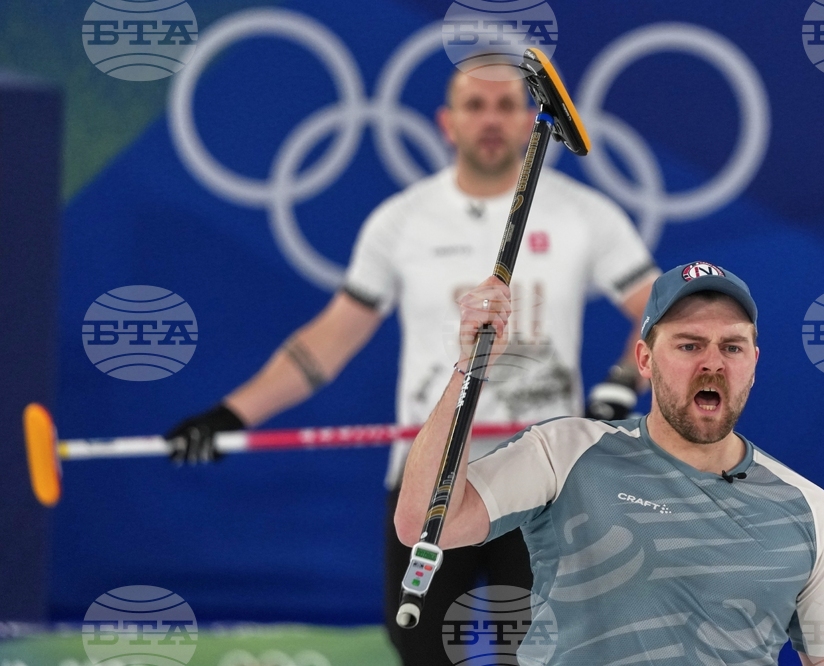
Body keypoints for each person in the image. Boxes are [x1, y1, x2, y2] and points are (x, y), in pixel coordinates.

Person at [167, 70, 660, 665]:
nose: (491, 118)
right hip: (431, 480)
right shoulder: (401, 220)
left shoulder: (586, 215)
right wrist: (231, 413)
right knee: (423, 652)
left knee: (543, 658)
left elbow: (658, 314)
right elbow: (330, 341)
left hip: (542, 482)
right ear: (446, 123)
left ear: (529, 119)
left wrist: (620, 384)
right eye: (474, 105)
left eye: (507, 104)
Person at [395, 261, 824, 666]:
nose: (713, 364)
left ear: (754, 362)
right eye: (688, 345)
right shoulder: (566, 451)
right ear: (644, 359)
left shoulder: (811, 511)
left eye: (732, 346)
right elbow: (422, 523)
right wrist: (468, 368)